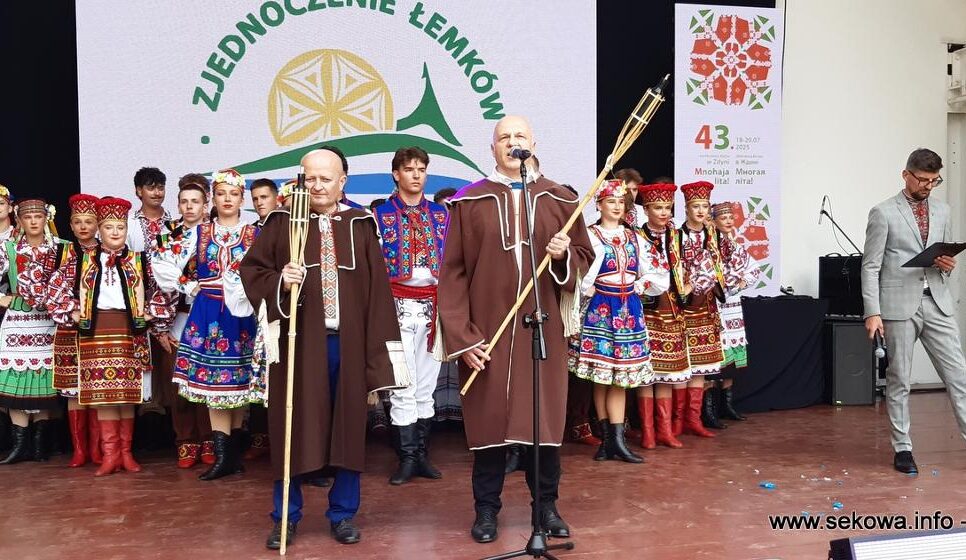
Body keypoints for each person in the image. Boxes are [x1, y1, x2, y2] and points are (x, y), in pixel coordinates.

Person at [238, 146, 406, 548]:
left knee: (348, 429)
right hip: (298, 343)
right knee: (292, 427)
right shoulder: (282, 222)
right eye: (309, 178)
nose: (316, 186)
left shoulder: (360, 223)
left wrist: (378, 355)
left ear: (342, 182)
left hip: (348, 344)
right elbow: (252, 271)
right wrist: (281, 280)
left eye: (325, 178)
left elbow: (377, 292)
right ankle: (285, 516)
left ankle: (343, 514)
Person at [438, 115, 593, 543]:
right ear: (492, 148)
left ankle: (546, 508)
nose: (512, 142)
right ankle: (486, 511)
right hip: (488, 332)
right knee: (489, 425)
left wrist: (563, 256)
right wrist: (463, 337)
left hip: (542, 331)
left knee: (544, 425)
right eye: (503, 137)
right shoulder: (469, 202)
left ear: (533, 144)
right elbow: (452, 274)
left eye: (519, 135)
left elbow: (583, 256)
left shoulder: (560, 199)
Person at [46, 197, 170, 476]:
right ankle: (110, 454)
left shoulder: (140, 260)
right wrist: (73, 312)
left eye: (120, 227)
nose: (115, 232)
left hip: (130, 332)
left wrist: (150, 313)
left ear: (126, 230)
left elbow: (165, 289)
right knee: (104, 395)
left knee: (126, 395)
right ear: (99, 230)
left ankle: (126, 453)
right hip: (96, 332)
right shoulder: (82, 260)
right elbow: (54, 290)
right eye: (109, 227)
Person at [861, 148, 966, 475]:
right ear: (906, 175)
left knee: (959, 375)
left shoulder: (943, 210)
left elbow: (943, 257)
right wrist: (872, 312)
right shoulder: (882, 212)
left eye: (934, 181)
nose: (928, 186)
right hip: (897, 305)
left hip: (937, 301)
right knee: (899, 380)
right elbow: (870, 266)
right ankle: (903, 448)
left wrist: (947, 265)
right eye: (922, 180)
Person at [153, 169, 259, 481]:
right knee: (215, 384)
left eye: (234, 194)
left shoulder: (254, 234)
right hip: (209, 312)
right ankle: (224, 455)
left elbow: (266, 270)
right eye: (222, 194)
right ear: (213, 198)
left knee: (238, 383)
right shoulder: (198, 233)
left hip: (242, 315)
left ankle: (232, 454)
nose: (227, 199)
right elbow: (160, 260)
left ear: (242, 199)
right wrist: (189, 285)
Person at [569, 180, 669, 463]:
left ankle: (616, 441)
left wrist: (641, 284)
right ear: (599, 204)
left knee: (619, 379)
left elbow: (659, 271)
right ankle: (608, 441)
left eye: (621, 202)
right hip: (600, 311)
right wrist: (586, 286)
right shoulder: (590, 236)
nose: (616, 207)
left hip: (628, 310)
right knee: (602, 377)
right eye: (610, 201)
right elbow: (576, 271)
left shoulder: (634, 237)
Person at [373, 146, 448, 486]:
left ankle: (420, 456)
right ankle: (405, 458)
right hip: (396, 306)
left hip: (432, 307)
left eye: (421, 169)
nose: (416, 175)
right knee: (403, 383)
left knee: (426, 386)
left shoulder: (442, 215)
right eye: (409, 169)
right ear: (396, 174)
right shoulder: (379, 215)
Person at [153, 175, 215, 469]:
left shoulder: (217, 235)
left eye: (195, 202)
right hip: (179, 317)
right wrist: (188, 285)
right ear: (178, 205)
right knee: (179, 383)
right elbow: (160, 273)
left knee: (207, 380)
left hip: (211, 318)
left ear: (205, 204)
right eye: (184, 202)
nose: (189, 207)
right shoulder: (168, 237)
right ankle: (186, 442)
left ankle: (210, 440)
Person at [0, 199, 63, 464]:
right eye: (28, 217)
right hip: (17, 321)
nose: (34, 221)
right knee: (15, 379)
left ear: (46, 218)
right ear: (20, 220)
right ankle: (20, 445)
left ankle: (39, 445)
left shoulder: (60, 248)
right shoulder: (9, 249)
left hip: (48, 322)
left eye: (38, 216)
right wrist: (3, 298)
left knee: (43, 380)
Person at [50, 194, 102, 467]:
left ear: (97, 224)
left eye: (89, 221)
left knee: (98, 386)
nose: (83, 227)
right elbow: (50, 290)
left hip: (101, 328)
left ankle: (97, 449)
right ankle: (80, 450)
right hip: (69, 329)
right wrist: (71, 309)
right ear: (70, 225)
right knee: (74, 390)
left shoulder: (109, 252)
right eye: (78, 222)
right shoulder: (61, 252)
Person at [638, 182, 689, 449]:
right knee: (648, 371)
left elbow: (693, 265)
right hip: (646, 308)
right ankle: (648, 432)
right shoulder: (636, 236)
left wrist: (689, 285)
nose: (664, 212)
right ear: (646, 209)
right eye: (658, 207)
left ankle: (665, 430)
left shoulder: (678, 236)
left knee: (668, 370)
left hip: (672, 308)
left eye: (668, 207)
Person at [126, 167, 174, 437]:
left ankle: (168, 429)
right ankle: (146, 429)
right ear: (138, 191)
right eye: (150, 187)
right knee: (142, 364)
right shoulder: (129, 224)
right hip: (138, 303)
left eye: (160, 187)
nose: (156, 192)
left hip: (169, 304)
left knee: (168, 364)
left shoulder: (174, 223)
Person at [675, 181, 725, 440]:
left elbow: (724, 266)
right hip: (683, 304)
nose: (701, 211)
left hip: (706, 304)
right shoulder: (676, 236)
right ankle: (677, 420)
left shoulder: (714, 236)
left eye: (705, 206)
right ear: (686, 208)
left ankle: (693, 419)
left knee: (701, 364)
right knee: (681, 364)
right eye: (696, 206)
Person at [703, 201, 759, 428]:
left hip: (732, 305)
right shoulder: (708, 244)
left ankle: (726, 405)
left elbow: (753, 269)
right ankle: (707, 410)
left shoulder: (735, 246)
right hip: (712, 304)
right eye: (723, 217)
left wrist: (738, 285)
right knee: (712, 357)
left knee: (731, 360)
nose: (728, 221)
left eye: (730, 217)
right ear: (713, 221)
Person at [244, 177, 280, 461]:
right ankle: (259, 437)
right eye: (255, 199)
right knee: (258, 373)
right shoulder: (251, 232)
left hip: (283, 310)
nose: (259, 203)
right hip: (255, 311)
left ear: (277, 198)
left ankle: (283, 439)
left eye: (264, 197)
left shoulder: (289, 227)